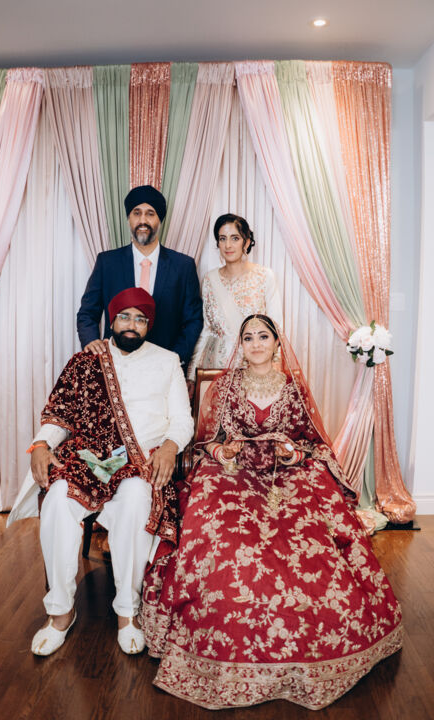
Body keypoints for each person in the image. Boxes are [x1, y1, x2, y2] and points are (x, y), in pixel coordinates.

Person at [142, 314, 402, 710]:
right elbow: (207, 439)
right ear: (241, 345)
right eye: (248, 338)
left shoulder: (294, 388)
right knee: (224, 544)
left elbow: (312, 442)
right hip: (233, 474)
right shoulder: (226, 386)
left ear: (277, 343)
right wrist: (223, 451)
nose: (256, 344)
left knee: (309, 548)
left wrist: (293, 453)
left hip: (288, 475)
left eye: (263, 336)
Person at [8, 288, 194, 657]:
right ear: (112, 320)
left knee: (135, 501)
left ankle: (127, 611)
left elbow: (182, 420)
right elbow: (59, 415)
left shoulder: (167, 360)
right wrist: (41, 444)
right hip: (89, 460)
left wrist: (170, 447)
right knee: (57, 500)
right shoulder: (87, 361)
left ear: (149, 325)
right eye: (124, 316)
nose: (132, 325)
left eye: (141, 319)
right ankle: (60, 611)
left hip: (140, 462)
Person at [77, 185, 203, 369]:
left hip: (164, 367)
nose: (143, 220)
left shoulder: (183, 266)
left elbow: (193, 320)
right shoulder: (107, 262)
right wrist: (91, 341)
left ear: (160, 219)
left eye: (150, 213)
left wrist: (175, 357)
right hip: (115, 364)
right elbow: (87, 313)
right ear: (129, 218)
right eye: (137, 213)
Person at [187, 213, 282, 381]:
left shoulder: (264, 276)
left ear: (246, 242)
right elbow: (207, 330)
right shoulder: (210, 279)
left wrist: (274, 367)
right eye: (222, 239)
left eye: (235, 238)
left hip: (253, 365)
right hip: (215, 367)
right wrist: (192, 375)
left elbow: (276, 327)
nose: (228, 245)